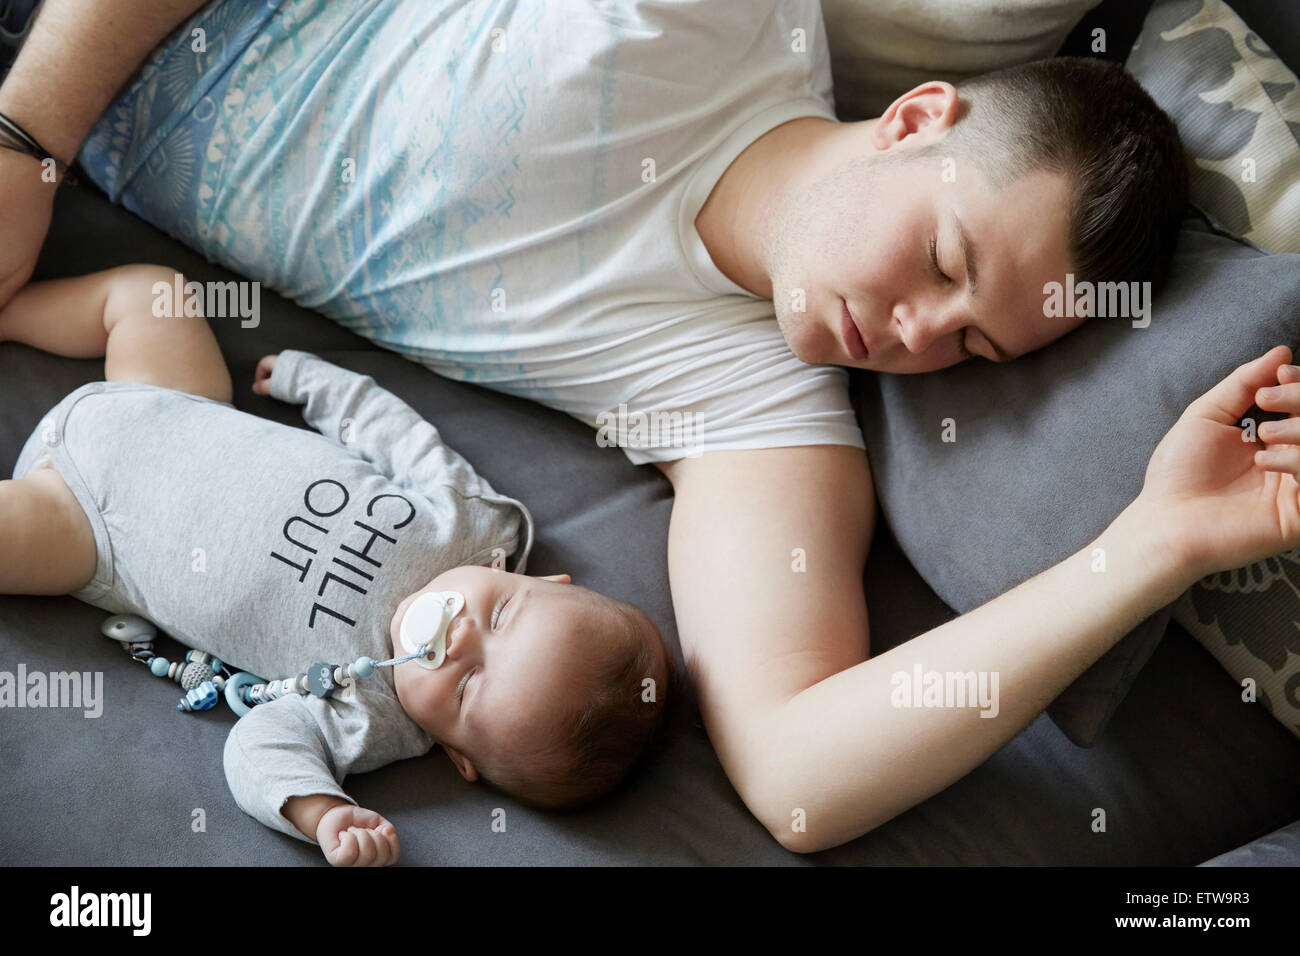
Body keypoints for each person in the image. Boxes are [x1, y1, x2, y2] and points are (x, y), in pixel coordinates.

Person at [0, 0, 1297, 854]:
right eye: (945, 259)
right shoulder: (708, 18)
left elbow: (797, 778)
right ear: (914, 120)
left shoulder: (761, 418)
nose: (914, 336)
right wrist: (23, 140)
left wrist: (1153, 546)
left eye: (971, 346)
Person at [0, 263, 672, 866]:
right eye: (500, 615)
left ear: (458, 757)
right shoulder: (473, 525)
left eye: (467, 687)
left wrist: (321, 813)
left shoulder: (370, 715)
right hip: (172, 402)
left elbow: (257, 749)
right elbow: (399, 436)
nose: (462, 638)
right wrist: (311, 382)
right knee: (157, 295)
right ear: (536, 580)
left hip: (85, 525)